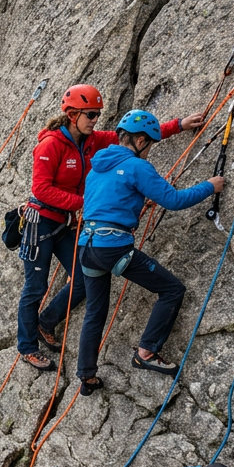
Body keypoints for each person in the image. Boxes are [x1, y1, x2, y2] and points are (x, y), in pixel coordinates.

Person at [17, 86, 203, 371]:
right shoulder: (50, 145)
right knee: (35, 287)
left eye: (97, 114)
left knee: (80, 279)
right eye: (90, 114)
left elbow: (133, 137)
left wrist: (178, 125)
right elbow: (41, 189)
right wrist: (91, 202)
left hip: (68, 224)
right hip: (42, 221)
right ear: (71, 114)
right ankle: (28, 347)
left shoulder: (93, 141)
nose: (95, 120)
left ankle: (46, 321)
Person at [75, 110, 221, 394]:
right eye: (151, 143)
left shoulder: (96, 168)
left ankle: (87, 376)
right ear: (141, 140)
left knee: (95, 311)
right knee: (172, 290)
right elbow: (174, 200)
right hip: (113, 246)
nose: (150, 149)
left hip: (87, 247)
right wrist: (210, 186)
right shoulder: (136, 167)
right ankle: (147, 352)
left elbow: (108, 201)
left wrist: (137, 202)